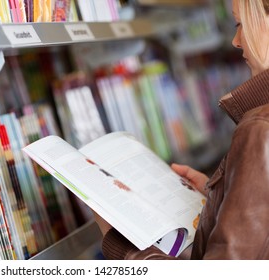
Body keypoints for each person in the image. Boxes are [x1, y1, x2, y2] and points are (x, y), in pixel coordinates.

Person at [94, 0, 269, 260]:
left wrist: (122, 244)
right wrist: (221, 196)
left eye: (240, 23)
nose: (236, 40)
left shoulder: (259, 129)